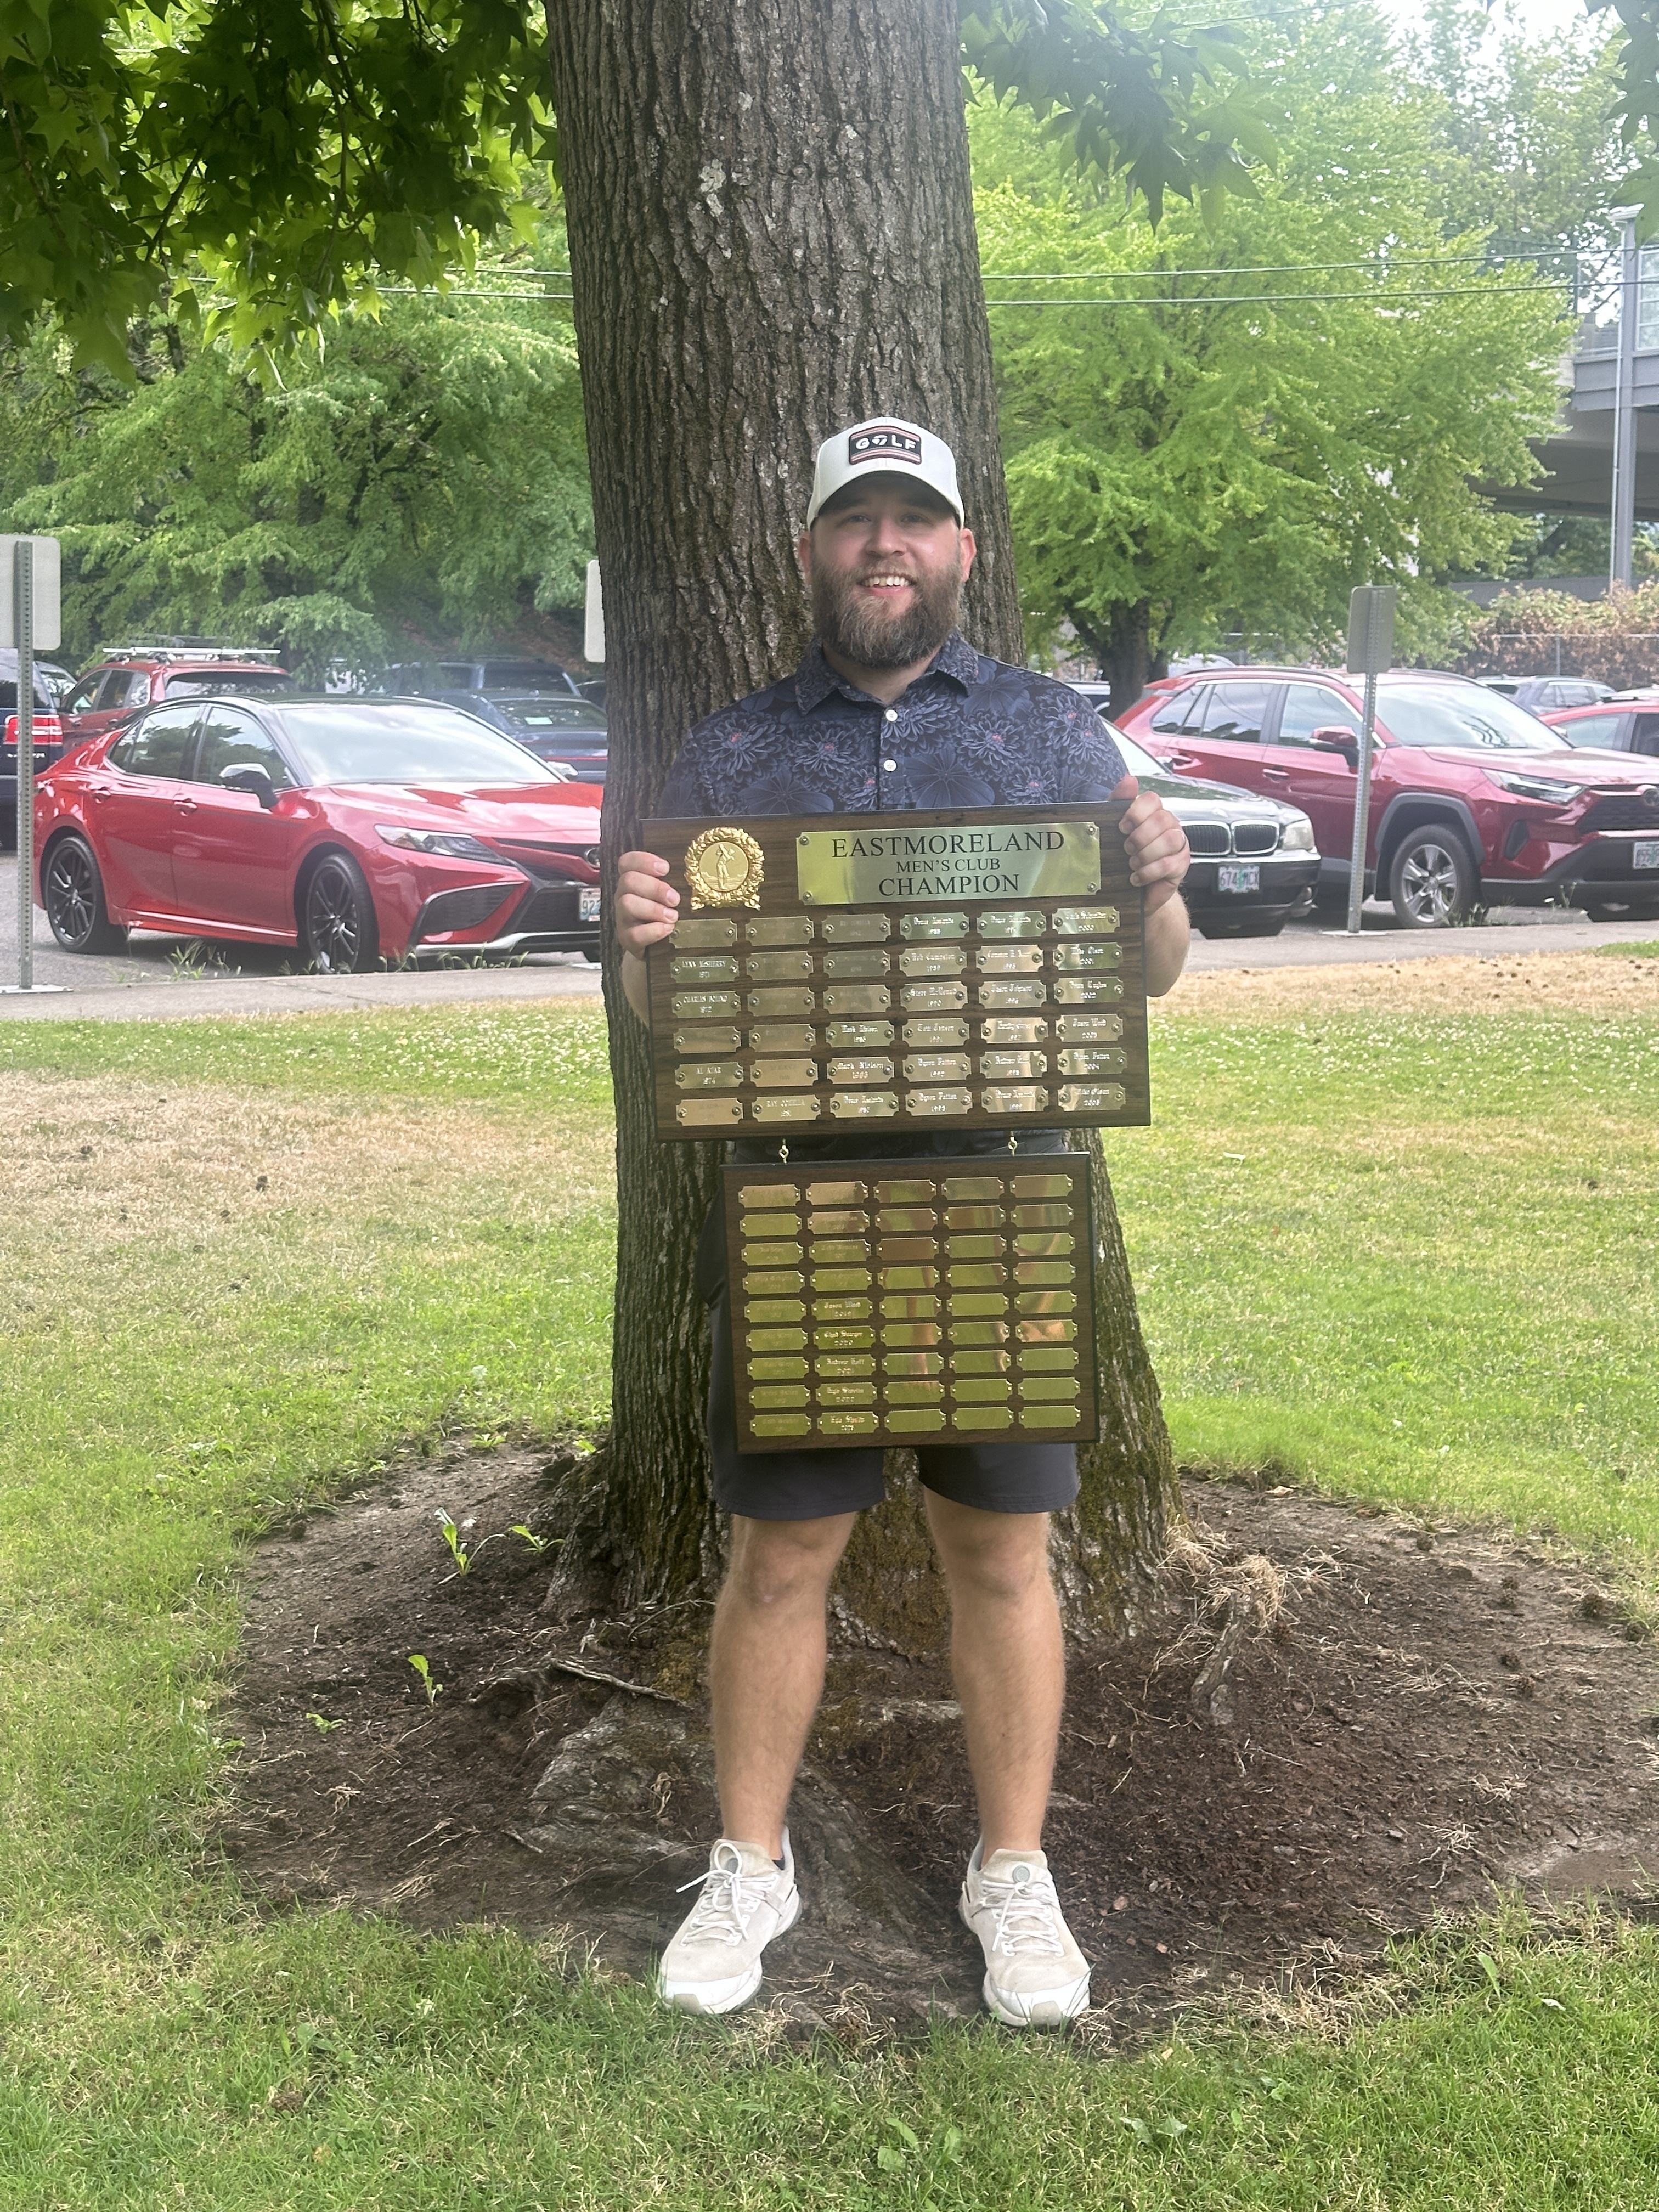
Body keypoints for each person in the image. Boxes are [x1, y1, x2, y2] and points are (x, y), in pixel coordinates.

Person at [613, 416, 1190, 2025]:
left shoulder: (1058, 733)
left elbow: (1146, 978)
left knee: (1001, 1550)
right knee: (783, 1545)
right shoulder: (730, 757)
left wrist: (1156, 882)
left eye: (914, 521)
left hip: (1005, 1195)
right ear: (812, 551)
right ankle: (752, 1864)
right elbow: (671, 1011)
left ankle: (1012, 1871)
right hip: (802, 1211)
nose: (886, 547)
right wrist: (643, 936)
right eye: (855, 521)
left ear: (962, 551)